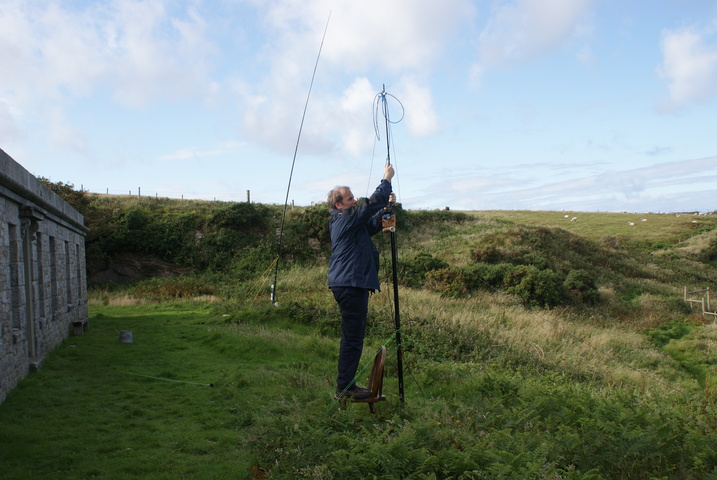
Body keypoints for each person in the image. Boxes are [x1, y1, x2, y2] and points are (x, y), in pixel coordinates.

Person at [327, 163, 395, 399]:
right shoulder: (342, 220)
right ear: (338, 205)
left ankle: (346, 385)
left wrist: (387, 206)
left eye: (354, 197)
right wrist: (385, 180)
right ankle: (345, 387)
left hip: (351, 283)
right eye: (350, 198)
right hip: (349, 283)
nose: (354, 200)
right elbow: (368, 206)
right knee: (353, 338)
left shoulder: (350, 222)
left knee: (353, 336)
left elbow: (372, 223)